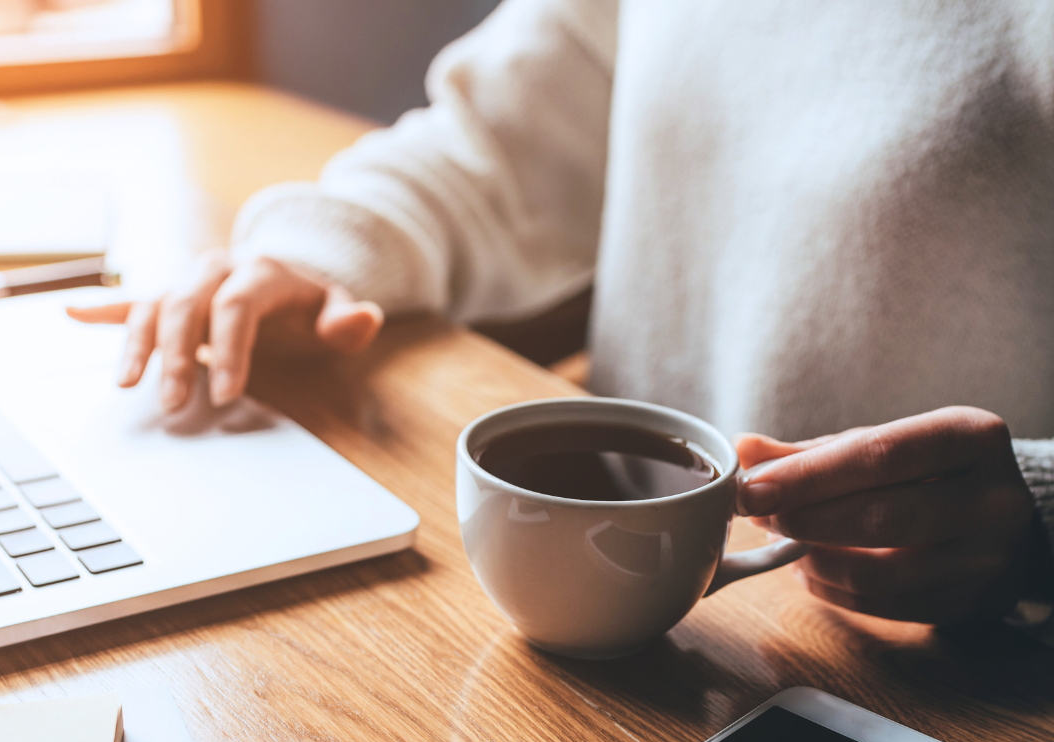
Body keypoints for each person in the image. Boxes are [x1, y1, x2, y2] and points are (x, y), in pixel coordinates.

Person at [71, 0, 1054, 627]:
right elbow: (490, 146)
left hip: (931, 681)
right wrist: (310, 253)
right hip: (627, 627)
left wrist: (1041, 520)